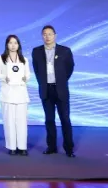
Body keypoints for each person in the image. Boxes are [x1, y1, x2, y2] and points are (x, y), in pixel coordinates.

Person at [32, 25, 76, 157]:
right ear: (42, 36)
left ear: (55, 36)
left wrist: (61, 80)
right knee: (49, 120)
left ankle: (69, 148)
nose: (47, 37)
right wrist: (43, 83)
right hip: (46, 90)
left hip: (61, 89)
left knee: (65, 119)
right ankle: (51, 147)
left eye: (50, 34)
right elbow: (36, 70)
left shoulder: (65, 51)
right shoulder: (36, 51)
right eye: (44, 34)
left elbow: (70, 68)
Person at [0, 34, 30, 155]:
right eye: (10, 43)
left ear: (18, 45)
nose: (13, 45)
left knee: (22, 122)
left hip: (21, 94)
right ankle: (12, 147)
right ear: (7, 45)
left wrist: (25, 78)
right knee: (9, 121)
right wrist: (5, 77)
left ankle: (22, 147)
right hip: (7, 93)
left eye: (15, 43)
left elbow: (28, 74)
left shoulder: (24, 59)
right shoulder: (1, 58)